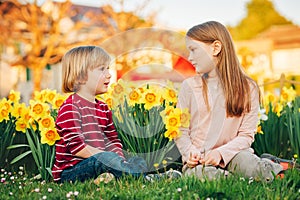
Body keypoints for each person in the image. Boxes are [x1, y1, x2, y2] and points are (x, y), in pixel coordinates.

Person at [52, 45, 181, 183]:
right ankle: (146, 179)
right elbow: (77, 148)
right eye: (102, 69)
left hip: (102, 162)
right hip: (72, 172)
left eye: (107, 68)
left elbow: (112, 141)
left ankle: (113, 177)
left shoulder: (103, 108)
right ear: (81, 76)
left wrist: (119, 161)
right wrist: (109, 160)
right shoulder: (70, 108)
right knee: (106, 159)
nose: (109, 74)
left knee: (137, 160)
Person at [174, 21, 283, 182]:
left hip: (234, 154)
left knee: (250, 166)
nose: (190, 57)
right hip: (199, 160)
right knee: (200, 175)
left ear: (216, 48)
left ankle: (275, 168)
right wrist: (190, 152)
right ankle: (234, 180)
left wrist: (220, 153)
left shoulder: (248, 88)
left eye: (194, 50)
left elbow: (246, 136)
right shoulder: (188, 87)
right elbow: (180, 130)